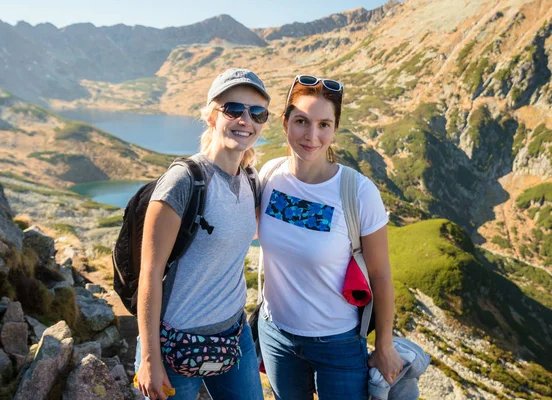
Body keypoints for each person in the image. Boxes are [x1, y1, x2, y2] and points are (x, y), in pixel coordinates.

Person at [257, 74, 403, 399]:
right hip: (276, 335)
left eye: (324, 124)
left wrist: (384, 345)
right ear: (285, 123)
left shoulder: (358, 192)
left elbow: (380, 275)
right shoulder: (269, 176)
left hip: (338, 343)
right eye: (301, 121)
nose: (312, 135)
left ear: (335, 129)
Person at [135, 68, 269, 400]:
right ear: (211, 116)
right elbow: (149, 273)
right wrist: (150, 359)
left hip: (234, 337)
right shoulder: (183, 182)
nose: (245, 120)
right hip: (173, 346)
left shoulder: (251, 181)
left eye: (257, 113)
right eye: (233, 109)